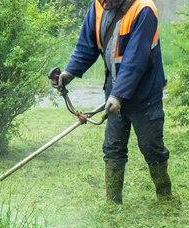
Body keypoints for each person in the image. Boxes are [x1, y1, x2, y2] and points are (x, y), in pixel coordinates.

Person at [53, 0, 172, 204]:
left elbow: (135, 59)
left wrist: (118, 96)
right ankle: (113, 203)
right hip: (114, 92)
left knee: (151, 147)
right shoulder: (99, 6)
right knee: (113, 148)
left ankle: (165, 197)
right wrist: (70, 71)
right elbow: (86, 45)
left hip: (144, 95)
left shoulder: (144, 9)